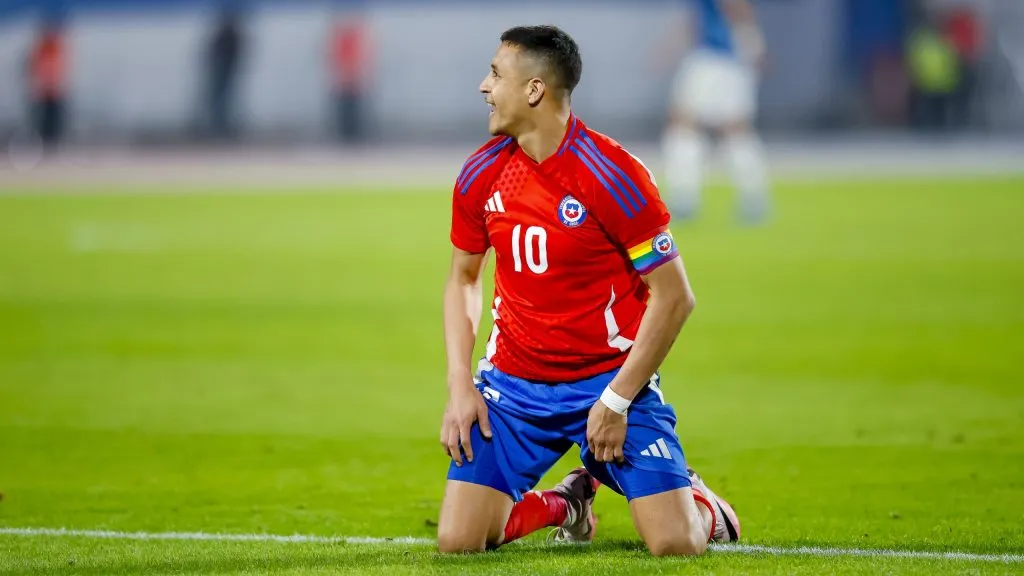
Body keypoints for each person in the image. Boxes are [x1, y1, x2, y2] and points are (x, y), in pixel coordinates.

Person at [437, 25, 739, 556]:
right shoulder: (481, 173)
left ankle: (701, 503)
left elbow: (674, 296)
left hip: (605, 381)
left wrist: (617, 400)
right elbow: (463, 278)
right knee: (459, 541)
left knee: (675, 543)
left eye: (495, 74)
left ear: (534, 90)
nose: (484, 87)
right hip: (513, 386)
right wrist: (461, 385)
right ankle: (568, 501)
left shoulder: (612, 175)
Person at [659, 0, 770, 224]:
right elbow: (699, 18)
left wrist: (753, 43)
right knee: (732, 130)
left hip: (716, 58)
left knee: (687, 125)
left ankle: (685, 200)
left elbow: (736, 6)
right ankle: (753, 201)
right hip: (723, 58)